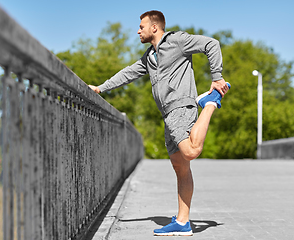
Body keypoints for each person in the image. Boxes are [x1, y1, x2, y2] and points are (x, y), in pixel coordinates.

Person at [88, 10, 230, 236]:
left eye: (141, 27)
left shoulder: (176, 41)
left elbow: (211, 44)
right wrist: (100, 88)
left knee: (191, 151)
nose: (138, 31)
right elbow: (128, 73)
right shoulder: (149, 57)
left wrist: (216, 77)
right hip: (168, 114)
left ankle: (210, 102)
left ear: (154, 27)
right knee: (180, 166)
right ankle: (183, 222)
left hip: (180, 107)